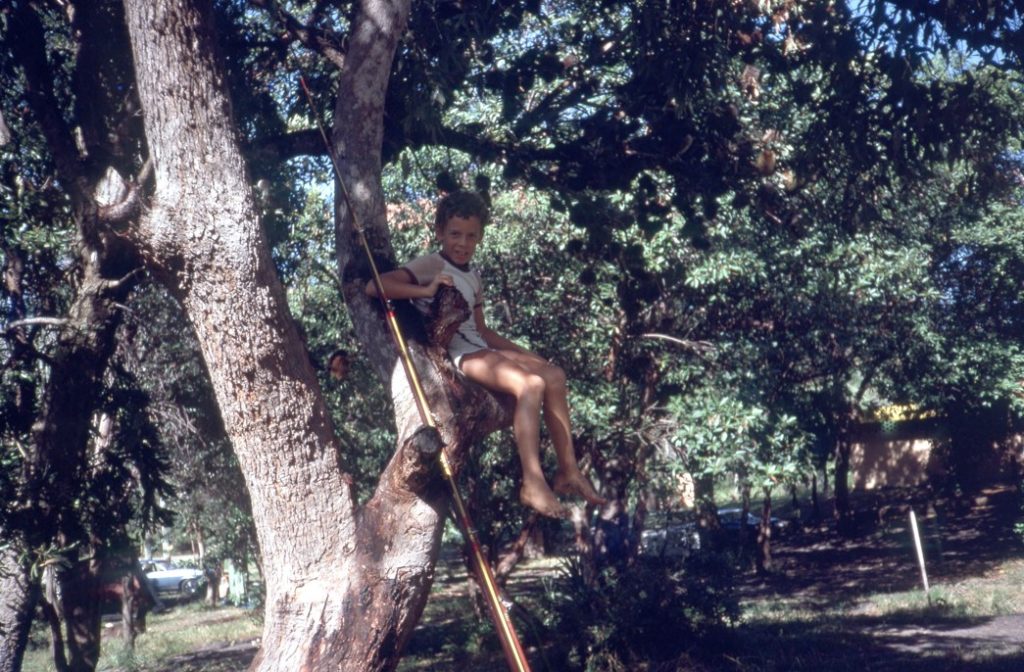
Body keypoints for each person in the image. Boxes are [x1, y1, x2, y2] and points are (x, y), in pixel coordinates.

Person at [366, 190, 606, 518]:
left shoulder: (473, 274)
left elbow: (484, 330)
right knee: (531, 385)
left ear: (480, 237)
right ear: (439, 232)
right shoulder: (432, 264)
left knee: (553, 375)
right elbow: (375, 286)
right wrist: (425, 290)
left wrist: (529, 354)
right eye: (454, 234)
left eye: (471, 236)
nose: (462, 243)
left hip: (481, 346)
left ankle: (568, 470)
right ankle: (533, 483)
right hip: (460, 354)